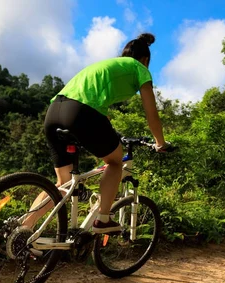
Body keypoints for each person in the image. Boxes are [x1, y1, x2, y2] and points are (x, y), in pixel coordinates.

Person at [33, 33, 170, 234]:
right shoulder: (139, 68)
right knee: (115, 161)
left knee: (64, 184)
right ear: (145, 60)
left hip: (54, 110)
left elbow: (97, 108)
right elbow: (151, 113)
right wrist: (160, 142)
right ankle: (103, 219)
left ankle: (23, 231)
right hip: (81, 113)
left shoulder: (107, 66)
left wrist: (111, 131)